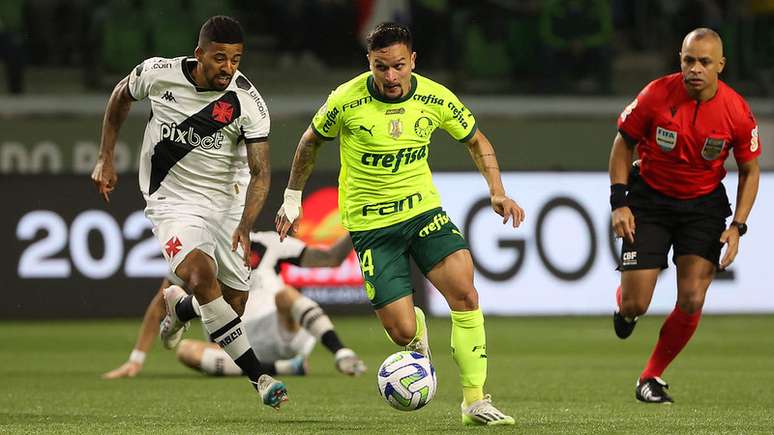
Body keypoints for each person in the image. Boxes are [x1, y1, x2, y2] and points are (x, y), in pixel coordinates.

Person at [275, 22, 524, 426]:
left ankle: (474, 401)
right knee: (401, 331)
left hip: (422, 212)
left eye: (398, 66)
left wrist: (497, 191)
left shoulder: (435, 97)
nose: (390, 76)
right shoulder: (346, 100)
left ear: (413, 61)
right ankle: (416, 334)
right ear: (369, 63)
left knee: (465, 293)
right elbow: (310, 141)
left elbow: (476, 140)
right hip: (371, 226)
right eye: (381, 67)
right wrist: (291, 198)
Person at [90, 16, 288, 409]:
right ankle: (260, 377)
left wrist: (246, 225)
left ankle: (179, 308)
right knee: (199, 275)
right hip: (172, 201)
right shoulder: (158, 73)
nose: (228, 68)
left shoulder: (247, 102)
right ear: (199, 54)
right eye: (220, 58)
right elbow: (120, 96)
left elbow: (261, 173)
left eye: (236, 60)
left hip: (228, 204)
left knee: (233, 305)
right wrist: (105, 157)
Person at [609, 28, 761, 403]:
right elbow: (623, 143)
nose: (695, 68)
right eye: (689, 60)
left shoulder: (737, 111)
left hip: (703, 206)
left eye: (704, 62)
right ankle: (625, 309)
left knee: (692, 296)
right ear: (680, 59)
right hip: (650, 199)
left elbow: (750, 169)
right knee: (636, 304)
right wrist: (619, 201)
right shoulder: (655, 94)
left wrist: (738, 225)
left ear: (720, 65)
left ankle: (651, 377)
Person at [103, 232, 366, 380]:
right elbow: (162, 303)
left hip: (279, 330)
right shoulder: (198, 252)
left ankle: (341, 352)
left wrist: (356, 227)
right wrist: (136, 359)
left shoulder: (268, 242)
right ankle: (286, 368)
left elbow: (330, 258)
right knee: (186, 351)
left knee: (286, 295)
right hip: (230, 342)